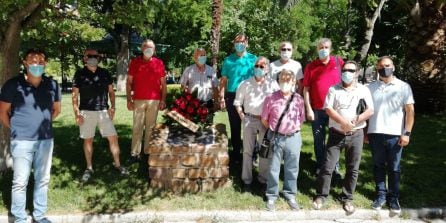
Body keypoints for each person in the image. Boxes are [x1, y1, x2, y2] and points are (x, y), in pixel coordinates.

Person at [0, 49, 61, 223]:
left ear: (45, 64)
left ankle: (40, 216)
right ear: (25, 63)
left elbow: (56, 110)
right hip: (21, 140)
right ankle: (19, 218)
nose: (37, 64)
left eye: (41, 61)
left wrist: (44, 123)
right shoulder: (12, 84)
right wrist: (17, 128)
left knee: (42, 179)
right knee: (20, 181)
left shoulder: (52, 85)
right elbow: (3, 112)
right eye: (33, 61)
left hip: (45, 139)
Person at [312, 61, 374, 214]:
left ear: (357, 72)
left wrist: (355, 120)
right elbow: (328, 108)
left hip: (356, 134)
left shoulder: (363, 90)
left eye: (351, 70)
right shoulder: (334, 88)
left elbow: (370, 110)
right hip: (336, 134)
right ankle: (321, 195)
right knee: (328, 166)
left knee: (353, 169)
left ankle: (347, 197)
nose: (347, 72)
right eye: (344, 69)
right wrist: (343, 122)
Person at [72, 49, 129, 183]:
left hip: (104, 111)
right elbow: (74, 97)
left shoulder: (104, 73)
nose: (93, 58)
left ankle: (118, 165)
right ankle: (89, 168)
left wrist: (113, 107)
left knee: (113, 138)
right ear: (85, 58)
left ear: (99, 58)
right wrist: (77, 113)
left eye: (95, 56)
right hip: (86, 112)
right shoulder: (79, 74)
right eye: (90, 56)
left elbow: (111, 92)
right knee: (88, 140)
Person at [367, 56, 415, 214]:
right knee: (378, 166)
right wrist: (365, 131)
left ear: (393, 67)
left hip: (395, 135)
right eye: (381, 66)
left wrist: (406, 133)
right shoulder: (370, 87)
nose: (384, 68)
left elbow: (410, 112)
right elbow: (364, 111)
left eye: (387, 65)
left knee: (394, 168)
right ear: (377, 68)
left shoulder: (403, 87)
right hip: (375, 133)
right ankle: (380, 195)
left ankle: (393, 198)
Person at [261, 69, 305, 211]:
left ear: (293, 82)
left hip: (293, 137)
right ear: (278, 81)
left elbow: (301, 119)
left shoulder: (298, 99)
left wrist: (291, 130)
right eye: (282, 79)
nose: (285, 82)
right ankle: (272, 196)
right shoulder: (270, 98)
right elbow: (264, 120)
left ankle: (290, 194)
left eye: (288, 80)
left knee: (292, 168)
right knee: (273, 168)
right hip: (276, 137)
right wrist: (276, 131)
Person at [234, 56, 279, 192]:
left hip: (265, 121)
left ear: (267, 69)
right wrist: (243, 117)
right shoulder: (245, 84)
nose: (259, 69)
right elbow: (237, 102)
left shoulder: (273, 85)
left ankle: (263, 179)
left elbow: (278, 102)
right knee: (247, 151)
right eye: (257, 66)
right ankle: (246, 180)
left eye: (262, 66)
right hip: (249, 119)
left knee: (265, 151)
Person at [303, 38, 344, 176]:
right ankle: (320, 165)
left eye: (326, 47)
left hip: (335, 110)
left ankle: (334, 167)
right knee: (318, 140)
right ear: (317, 49)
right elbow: (306, 89)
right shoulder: (311, 66)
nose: (323, 49)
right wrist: (308, 108)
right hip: (317, 110)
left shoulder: (339, 63)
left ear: (331, 49)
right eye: (320, 47)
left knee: (336, 140)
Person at [126, 39, 167, 163]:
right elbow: (129, 82)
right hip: (138, 100)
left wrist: (163, 100)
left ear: (154, 50)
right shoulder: (135, 62)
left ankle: (148, 153)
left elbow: (163, 84)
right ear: (142, 48)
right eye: (147, 47)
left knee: (150, 128)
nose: (149, 49)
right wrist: (129, 99)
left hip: (154, 101)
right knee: (137, 127)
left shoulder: (159, 63)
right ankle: (134, 153)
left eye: (152, 47)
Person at [219, 34, 257, 163]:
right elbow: (223, 80)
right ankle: (236, 154)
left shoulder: (253, 59)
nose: (239, 44)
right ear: (234, 43)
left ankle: (253, 154)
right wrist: (221, 97)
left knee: (251, 126)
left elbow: (259, 78)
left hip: (250, 96)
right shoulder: (228, 60)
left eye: (242, 41)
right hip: (232, 96)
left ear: (246, 43)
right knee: (235, 127)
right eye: (237, 42)